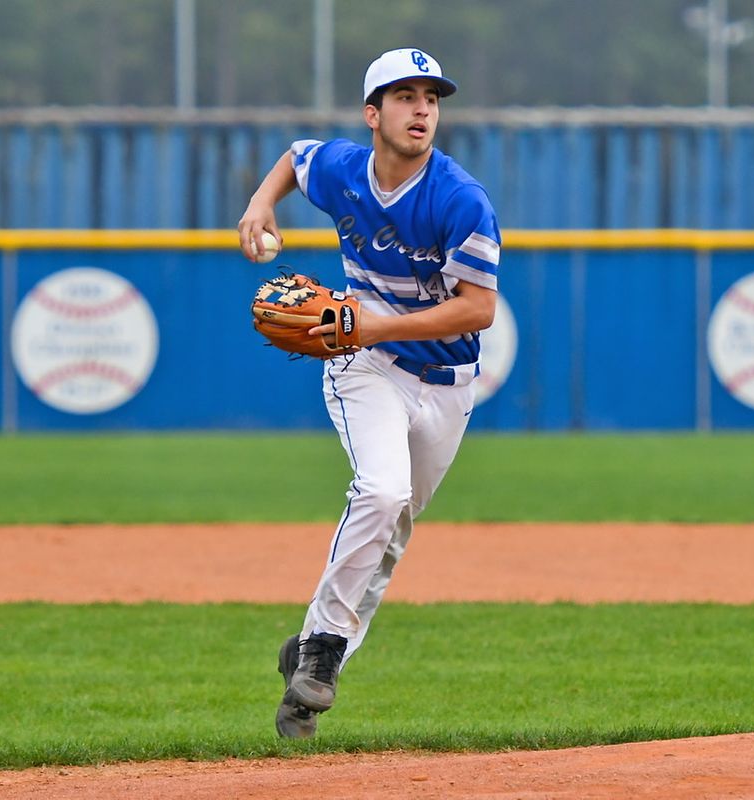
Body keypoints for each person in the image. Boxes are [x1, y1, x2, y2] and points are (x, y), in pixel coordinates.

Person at [236, 47, 500, 739]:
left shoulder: (459, 198)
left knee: (392, 533)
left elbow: (478, 310)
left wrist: (382, 318)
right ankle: (323, 655)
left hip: (447, 384)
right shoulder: (346, 169)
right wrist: (261, 204)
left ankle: (309, 653)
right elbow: (297, 157)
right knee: (380, 494)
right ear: (372, 113)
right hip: (366, 364)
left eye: (432, 98)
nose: (422, 110)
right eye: (405, 96)